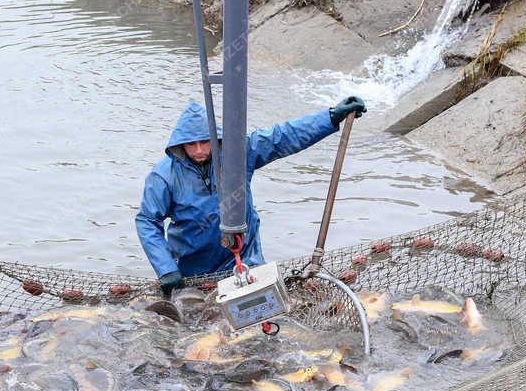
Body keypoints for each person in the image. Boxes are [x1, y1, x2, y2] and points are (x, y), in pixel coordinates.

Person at [136, 96, 367, 295]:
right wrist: (166, 268)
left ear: (216, 138)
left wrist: (330, 118)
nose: (198, 150)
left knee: (257, 319)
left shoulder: (239, 153)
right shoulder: (164, 175)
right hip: (194, 267)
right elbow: (148, 221)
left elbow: (282, 137)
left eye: (205, 142)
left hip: (244, 259)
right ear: (180, 144)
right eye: (191, 144)